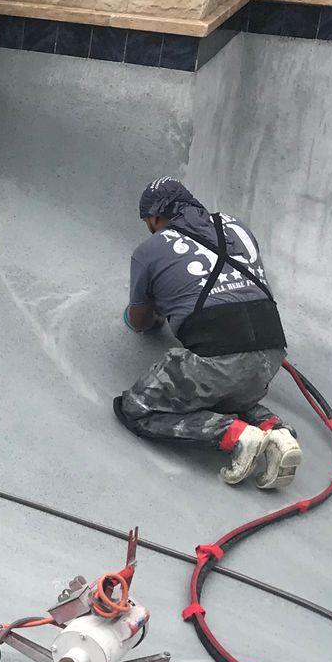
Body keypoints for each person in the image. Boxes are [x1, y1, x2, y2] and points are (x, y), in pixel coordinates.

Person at [115, 178, 303, 490]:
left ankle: (236, 435)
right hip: (271, 351)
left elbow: (140, 321)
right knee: (220, 389)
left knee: (136, 409)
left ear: (158, 216)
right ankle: (276, 431)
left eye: (148, 219)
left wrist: (154, 313)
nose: (148, 225)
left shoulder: (149, 250)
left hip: (219, 357)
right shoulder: (235, 225)